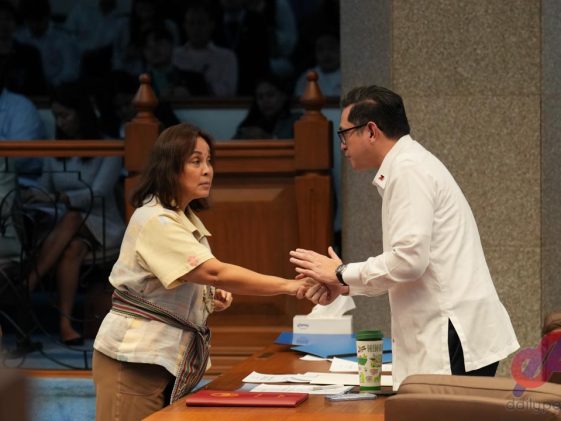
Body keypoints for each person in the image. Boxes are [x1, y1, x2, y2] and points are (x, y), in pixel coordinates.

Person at [289, 85, 520, 390]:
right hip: (450, 328)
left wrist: (341, 272)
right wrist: (345, 284)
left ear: (371, 131)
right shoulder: (407, 164)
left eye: (344, 134)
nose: (342, 146)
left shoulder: (409, 169)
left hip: (453, 332)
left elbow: (409, 261)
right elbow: (406, 265)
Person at [92, 122, 311, 420]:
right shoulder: (155, 220)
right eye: (195, 161)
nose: (207, 170)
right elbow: (214, 272)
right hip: (134, 358)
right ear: (169, 167)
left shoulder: (184, 219)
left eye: (208, 161)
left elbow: (193, 277)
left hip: (162, 357)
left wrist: (207, 296)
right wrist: (290, 286)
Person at [24, 83, 125, 345]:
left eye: (65, 115)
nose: (60, 122)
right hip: (64, 229)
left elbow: (98, 193)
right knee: (73, 248)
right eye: (56, 116)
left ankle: (27, 285)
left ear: (81, 113)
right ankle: (65, 325)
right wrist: (35, 195)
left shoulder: (110, 148)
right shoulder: (55, 150)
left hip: (104, 225)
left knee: (72, 217)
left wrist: (59, 198)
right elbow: (44, 188)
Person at [172, 2, 237, 97]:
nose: (196, 28)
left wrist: (198, 88)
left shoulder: (226, 57)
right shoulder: (174, 55)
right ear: (185, 26)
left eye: (201, 23)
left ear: (211, 25)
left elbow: (229, 90)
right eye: (191, 23)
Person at [233, 74, 301, 139]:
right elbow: (231, 145)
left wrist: (268, 138)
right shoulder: (249, 123)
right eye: (260, 97)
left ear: (283, 96)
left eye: (270, 95)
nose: (265, 101)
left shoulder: (296, 121)